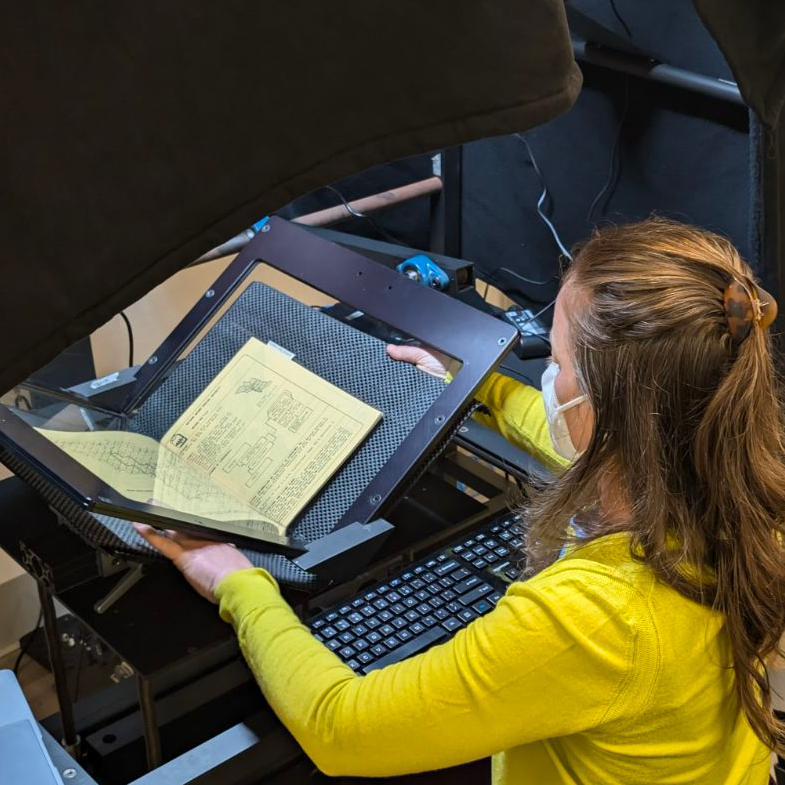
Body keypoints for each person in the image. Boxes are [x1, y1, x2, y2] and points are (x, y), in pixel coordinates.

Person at [136, 218, 785, 784]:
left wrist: (239, 582)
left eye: (555, 361)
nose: (548, 379)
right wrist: (472, 387)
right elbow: (581, 432)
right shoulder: (743, 482)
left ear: (608, 408)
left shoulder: (594, 619)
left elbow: (340, 729)